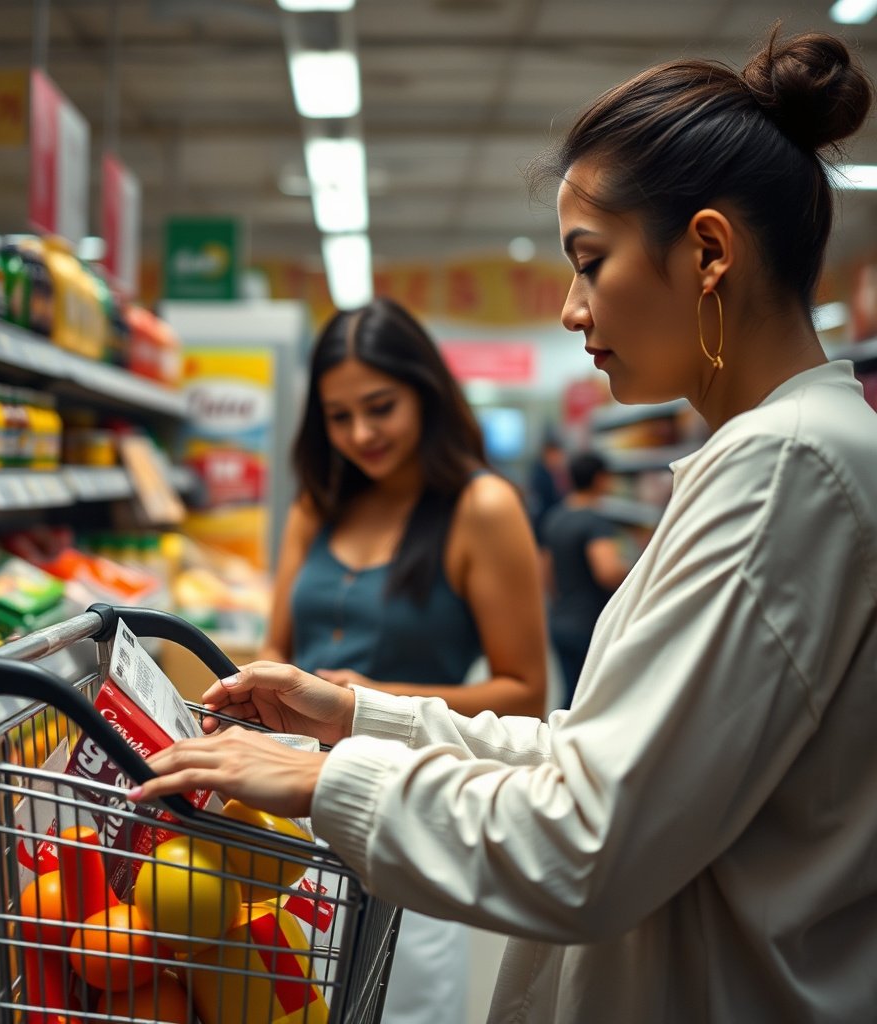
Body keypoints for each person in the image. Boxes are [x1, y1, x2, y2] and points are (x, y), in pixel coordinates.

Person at [130, 30, 877, 1022]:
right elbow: (599, 753)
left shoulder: (788, 469)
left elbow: (587, 843)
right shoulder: (779, 455)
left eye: (589, 261)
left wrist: (325, 776)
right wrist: (357, 717)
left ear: (706, 252)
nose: (571, 309)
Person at [254, 296, 548, 1024]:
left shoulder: (482, 508)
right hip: (287, 803)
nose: (360, 433)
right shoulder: (316, 506)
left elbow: (527, 694)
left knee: (402, 1000)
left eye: (380, 407)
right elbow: (276, 645)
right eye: (338, 416)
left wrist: (371, 700)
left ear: (425, 391)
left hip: (405, 806)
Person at [540, 451, 629, 707]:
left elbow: (546, 571)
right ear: (600, 479)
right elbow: (607, 572)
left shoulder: (555, 516)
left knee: (570, 694)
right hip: (589, 624)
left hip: (561, 620)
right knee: (590, 701)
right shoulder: (595, 522)